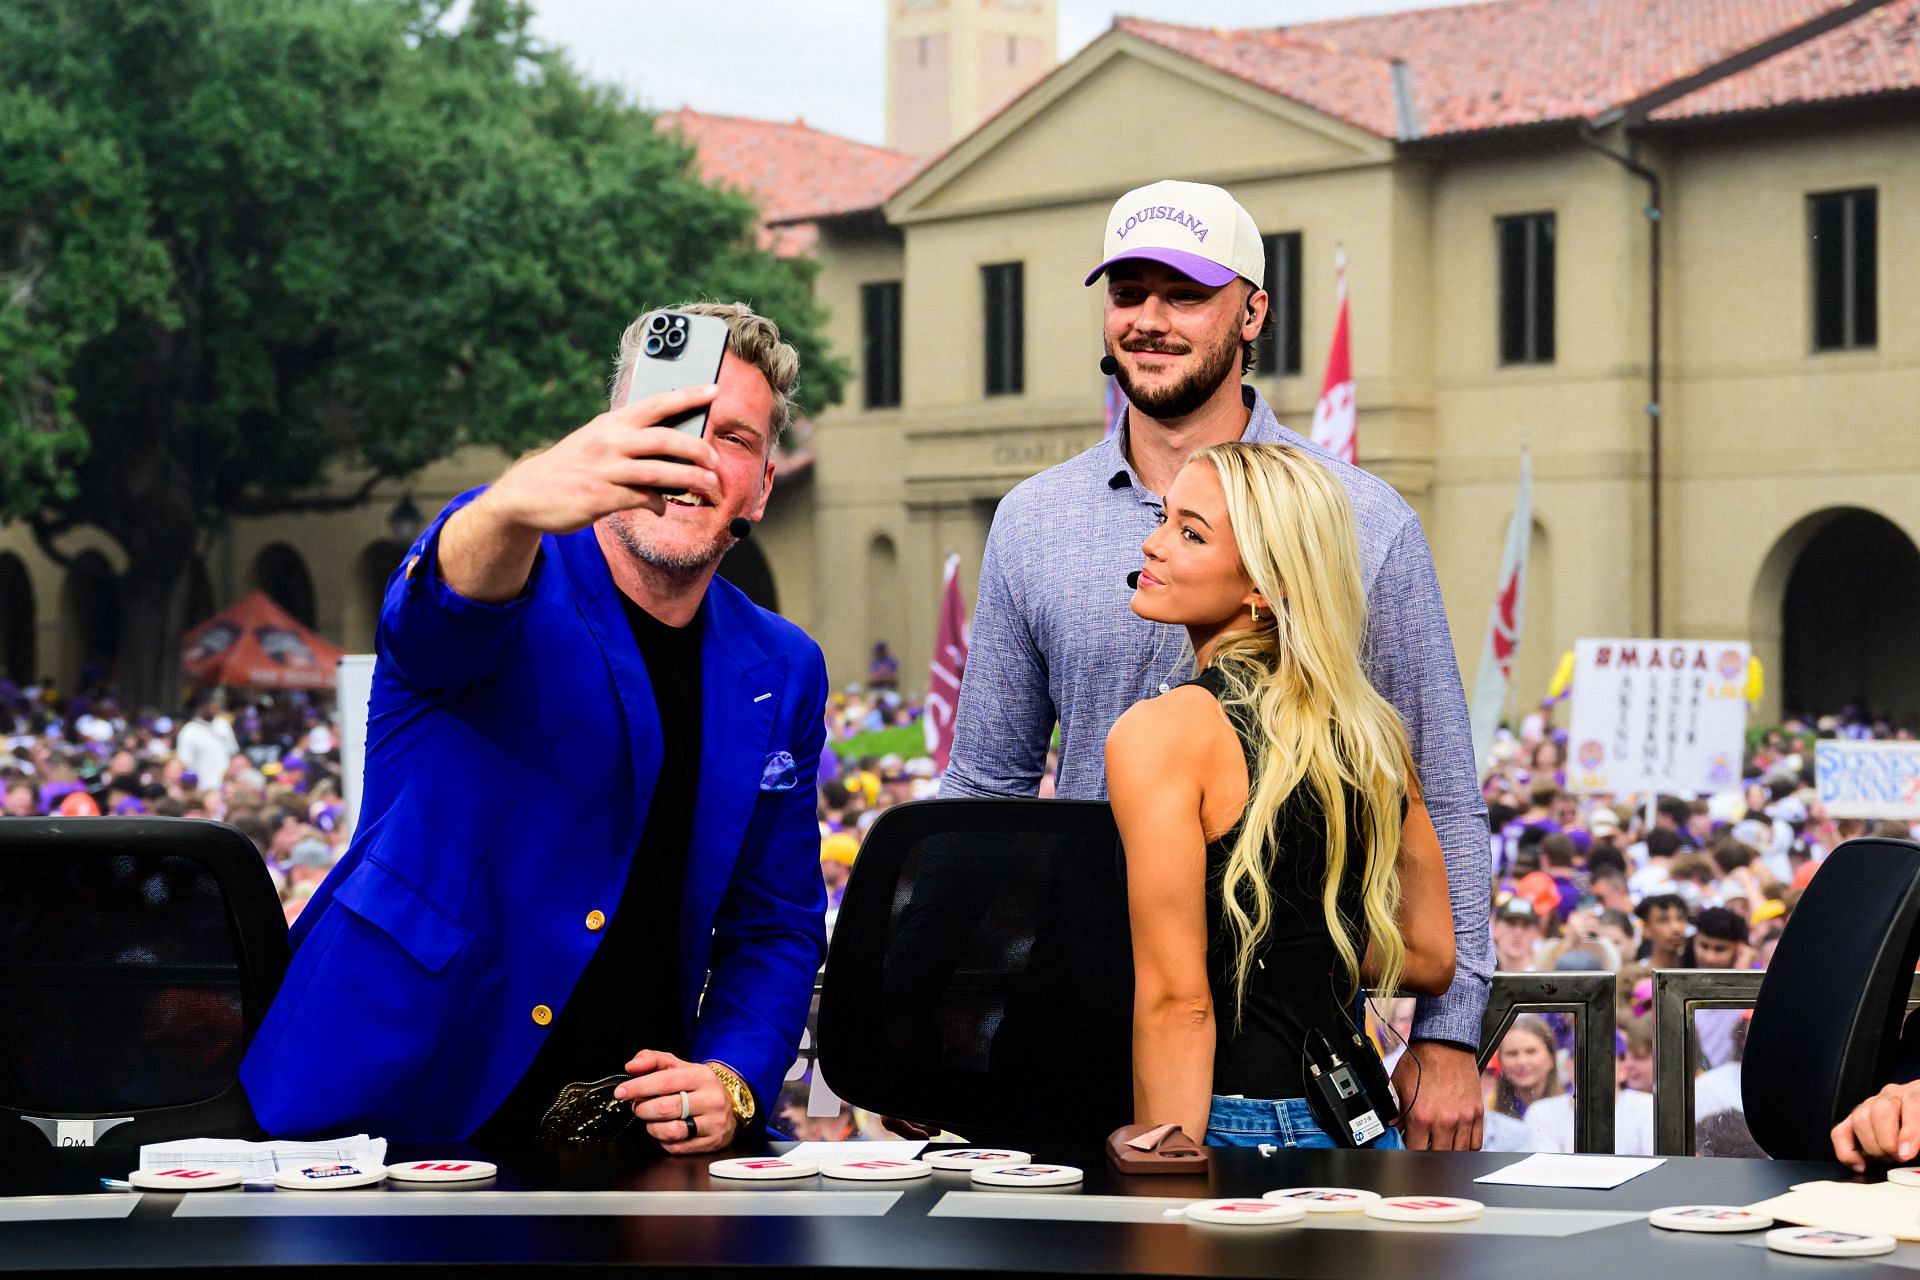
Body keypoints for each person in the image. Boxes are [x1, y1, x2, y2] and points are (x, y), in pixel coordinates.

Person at [942, 178, 1491, 1150]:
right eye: (1127, 292)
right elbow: (985, 786)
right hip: (1082, 1025)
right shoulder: (1032, 520)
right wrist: (941, 1013)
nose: (1148, 320)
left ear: (1253, 311)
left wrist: (1450, 1039)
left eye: (1184, 294)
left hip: (1261, 1060)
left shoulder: (1367, 522)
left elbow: (1444, 788)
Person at [240, 302, 829, 1150]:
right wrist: (513, 504)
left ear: (763, 488)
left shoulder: (783, 664)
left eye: (733, 438)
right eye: (670, 417)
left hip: (618, 1146)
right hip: (381, 1113)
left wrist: (733, 1078)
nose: (694, 449)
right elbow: (437, 614)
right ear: (607, 437)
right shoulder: (511, 565)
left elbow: (774, 922)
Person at [1106, 443, 1454, 1149]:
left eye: (1190, 532)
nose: (1154, 542)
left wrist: (1162, 1177)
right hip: (1357, 1124)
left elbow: (1178, 1006)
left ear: (1262, 586)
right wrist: (1299, 945)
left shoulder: (1162, 732)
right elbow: (1427, 955)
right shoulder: (1369, 731)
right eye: (1166, 518)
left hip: (1224, 1126)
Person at [1490, 1015, 1563, 1121]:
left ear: (1551, 1057)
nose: (1522, 1062)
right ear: (1500, 1061)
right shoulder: (1488, 1111)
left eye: (1531, 1051)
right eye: (1512, 1054)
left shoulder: (1571, 1108)